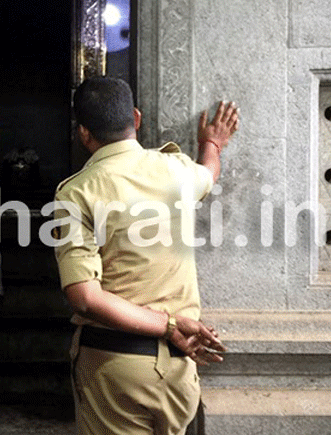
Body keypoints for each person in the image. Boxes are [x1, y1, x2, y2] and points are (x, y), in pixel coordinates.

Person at [52, 76, 238, 435]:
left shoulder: (77, 194)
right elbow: (208, 174)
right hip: (179, 373)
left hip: (115, 369)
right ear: (136, 118)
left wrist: (168, 325)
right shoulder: (178, 170)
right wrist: (213, 143)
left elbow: (84, 297)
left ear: (84, 134)